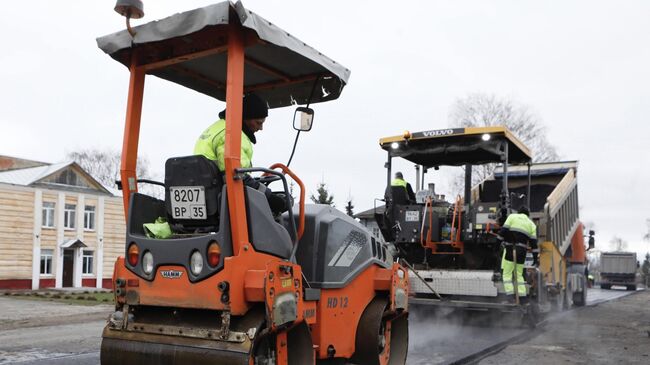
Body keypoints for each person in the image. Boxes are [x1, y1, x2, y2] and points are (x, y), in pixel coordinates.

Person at [194, 93, 287, 213]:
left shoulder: (216, 128)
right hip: (220, 200)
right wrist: (269, 197)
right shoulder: (232, 134)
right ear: (245, 117)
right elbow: (237, 176)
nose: (261, 128)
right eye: (259, 123)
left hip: (206, 194)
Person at [499, 206, 538, 302]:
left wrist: (496, 246)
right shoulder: (531, 224)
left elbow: (503, 231)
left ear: (519, 212)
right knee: (519, 275)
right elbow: (534, 244)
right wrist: (535, 258)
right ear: (527, 215)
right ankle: (522, 297)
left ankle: (510, 296)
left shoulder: (512, 217)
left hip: (510, 249)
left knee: (507, 274)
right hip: (522, 252)